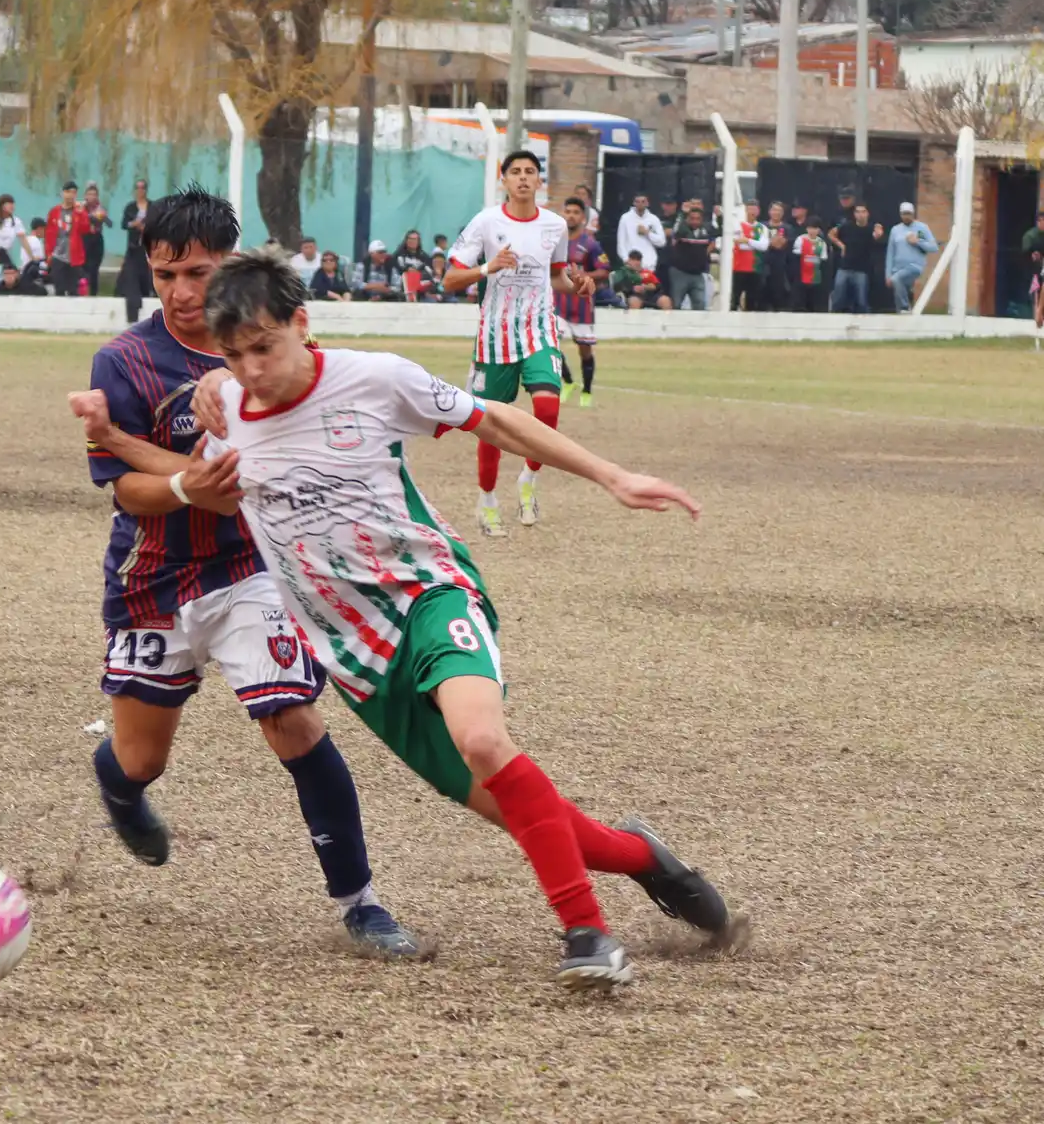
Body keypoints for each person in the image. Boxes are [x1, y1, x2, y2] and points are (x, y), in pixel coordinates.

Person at [151, 248, 731, 990]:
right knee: (519, 810)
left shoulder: (376, 379)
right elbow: (215, 494)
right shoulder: (224, 407)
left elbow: (499, 423)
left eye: (264, 347)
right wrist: (190, 450)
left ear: (302, 324)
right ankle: (644, 858)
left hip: (430, 594)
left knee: (483, 736)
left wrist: (613, 476)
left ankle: (589, 934)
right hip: (357, 658)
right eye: (233, 356)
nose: (252, 370)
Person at [65, 185, 420, 957]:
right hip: (152, 578)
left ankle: (362, 905)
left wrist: (165, 448)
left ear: (231, 262)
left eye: (197, 272)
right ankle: (120, 789)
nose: (183, 293)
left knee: (291, 719)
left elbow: (269, 467)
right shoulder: (123, 360)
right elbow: (130, 491)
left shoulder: (264, 346)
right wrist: (182, 479)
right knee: (139, 757)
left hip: (249, 569)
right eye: (165, 276)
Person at [443, 149, 595, 538]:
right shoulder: (486, 222)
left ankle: (528, 477)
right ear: (504, 180)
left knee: (548, 405)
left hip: (539, 330)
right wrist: (486, 267)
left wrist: (578, 286)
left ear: (539, 181)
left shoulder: (555, 225)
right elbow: (449, 279)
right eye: (516, 172)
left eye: (530, 172)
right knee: (491, 424)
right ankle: (487, 500)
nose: (523, 178)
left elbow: (558, 277)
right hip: (494, 336)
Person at [556, 196, 610, 409]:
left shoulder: (590, 244)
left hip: (581, 305)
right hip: (557, 302)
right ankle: (567, 382)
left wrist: (584, 275)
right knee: (549, 344)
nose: (570, 215)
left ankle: (586, 390)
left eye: (575, 212)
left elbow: (604, 270)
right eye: (567, 211)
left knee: (584, 350)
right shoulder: (555, 241)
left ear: (583, 218)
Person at [828, 203, 882, 314]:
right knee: (838, 296)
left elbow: (878, 234)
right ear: (854, 214)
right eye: (858, 212)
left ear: (867, 213)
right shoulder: (847, 226)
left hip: (862, 269)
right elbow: (831, 234)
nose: (860, 214)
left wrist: (878, 231)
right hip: (844, 267)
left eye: (863, 212)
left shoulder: (871, 228)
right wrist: (842, 246)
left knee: (861, 300)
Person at [885, 202, 938, 313]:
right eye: (904, 214)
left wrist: (917, 242)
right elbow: (890, 252)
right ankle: (901, 313)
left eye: (908, 214)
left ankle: (904, 308)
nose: (906, 216)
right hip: (898, 268)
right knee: (899, 286)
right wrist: (888, 274)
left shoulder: (920, 229)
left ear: (913, 214)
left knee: (897, 280)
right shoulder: (896, 230)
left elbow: (933, 247)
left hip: (914, 266)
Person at [666, 205, 715, 310]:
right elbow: (676, 230)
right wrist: (683, 214)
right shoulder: (683, 229)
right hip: (680, 273)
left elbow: (719, 233)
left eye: (698, 219)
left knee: (700, 304)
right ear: (687, 219)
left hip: (697, 275)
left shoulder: (705, 231)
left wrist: (720, 217)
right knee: (676, 304)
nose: (695, 222)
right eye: (692, 218)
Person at [45, 181, 89, 296]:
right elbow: (49, 234)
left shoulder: (79, 211)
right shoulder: (54, 212)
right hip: (57, 256)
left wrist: (80, 213)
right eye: (68, 192)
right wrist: (49, 253)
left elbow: (85, 229)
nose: (71, 195)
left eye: (74, 192)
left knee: (73, 290)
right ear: (62, 193)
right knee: (59, 289)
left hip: (74, 257)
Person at [119, 179, 153, 323]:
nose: (140, 191)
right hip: (133, 249)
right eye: (138, 188)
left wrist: (146, 227)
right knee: (131, 279)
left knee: (148, 279)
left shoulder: (152, 206)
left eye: (143, 188)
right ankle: (132, 315)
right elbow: (124, 224)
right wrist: (135, 224)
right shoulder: (130, 207)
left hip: (148, 250)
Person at [729, 200, 769, 312]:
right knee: (734, 299)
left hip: (755, 268)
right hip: (738, 267)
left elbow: (763, 246)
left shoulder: (762, 228)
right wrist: (753, 243)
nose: (752, 212)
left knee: (752, 301)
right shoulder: (738, 225)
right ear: (746, 210)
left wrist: (747, 240)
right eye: (750, 209)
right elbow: (738, 243)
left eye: (755, 209)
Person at [615, 193, 666, 274]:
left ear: (647, 203)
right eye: (637, 201)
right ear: (634, 203)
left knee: (648, 286)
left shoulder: (654, 219)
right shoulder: (625, 218)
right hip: (630, 265)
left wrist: (647, 233)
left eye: (643, 201)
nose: (640, 204)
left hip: (649, 265)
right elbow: (621, 243)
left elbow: (662, 242)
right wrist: (626, 260)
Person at [791, 215, 831, 313]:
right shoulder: (800, 239)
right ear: (807, 228)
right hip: (802, 277)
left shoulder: (822, 243)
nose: (812, 231)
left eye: (815, 228)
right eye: (810, 228)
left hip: (816, 278)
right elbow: (796, 258)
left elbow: (823, 261)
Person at [81, 183, 112, 296]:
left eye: (94, 194)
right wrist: (90, 217)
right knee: (83, 268)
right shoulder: (80, 208)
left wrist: (104, 217)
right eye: (89, 194)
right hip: (84, 239)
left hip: (96, 240)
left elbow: (110, 224)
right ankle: (83, 292)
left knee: (94, 268)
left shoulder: (100, 209)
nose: (92, 197)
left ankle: (93, 294)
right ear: (85, 196)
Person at [392, 230, 431, 299]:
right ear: (406, 240)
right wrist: (407, 270)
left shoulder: (424, 257)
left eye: (415, 239)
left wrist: (417, 273)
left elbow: (429, 272)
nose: (412, 241)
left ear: (418, 241)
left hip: (420, 289)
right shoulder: (398, 255)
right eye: (410, 239)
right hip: (402, 288)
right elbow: (396, 269)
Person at [1024, 210, 1044, 328]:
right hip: (1034, 270)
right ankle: (1037, 313)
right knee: (1036, 288)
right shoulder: (1030, 236)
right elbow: (1026, 253)